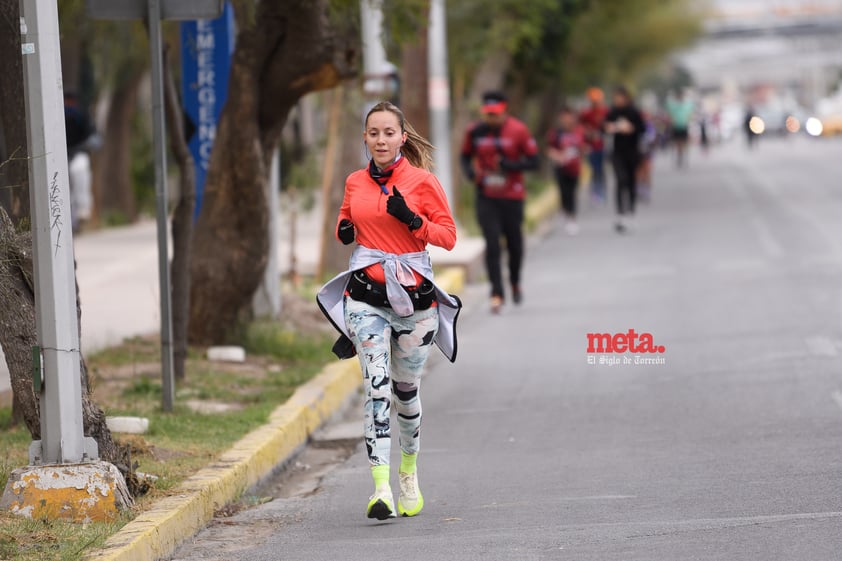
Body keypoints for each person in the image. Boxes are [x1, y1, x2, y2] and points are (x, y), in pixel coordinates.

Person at [316, 101, 461, 521]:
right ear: (365, 137)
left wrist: (412, 219)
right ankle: (380, 488)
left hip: (415, 304)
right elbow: (348, 222)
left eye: (388, 133)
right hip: (365, 297)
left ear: (402, 137)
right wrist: (344, 230)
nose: (380, 140)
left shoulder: (423, 181)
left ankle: (408, 472)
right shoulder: (354, 182)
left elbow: (447, 237)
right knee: (375, 387)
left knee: (405, 394)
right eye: (373, 133)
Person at [460, 91, 539, 313]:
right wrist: (470, 174)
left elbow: (534, 161)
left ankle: (514, 280)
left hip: (512, 196)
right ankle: (496, 292)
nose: (491, 118)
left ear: (505, 111)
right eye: (488, 114)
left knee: (515, 245)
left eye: (496, 114)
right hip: (486, 195)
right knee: (492, 244)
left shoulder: (519, 130)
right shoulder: (474, 131)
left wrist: (509, 166)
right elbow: (464, 156)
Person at [604, 86, 646, 234]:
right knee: (620, 180)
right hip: (617, 152)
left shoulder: (634, 112)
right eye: (615, 98)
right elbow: (605, 126)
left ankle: (631, 209)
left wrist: (631, 128)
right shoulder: (613, 112)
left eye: (619, 97)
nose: (617, 100)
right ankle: (620, 213)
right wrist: (612, 127)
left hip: (633, 151)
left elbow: (642, 129)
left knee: (631, 181)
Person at [64, 91, 100, 233]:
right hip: (62, 156)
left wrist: (91, 144)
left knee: (79, 171)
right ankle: (71, 221)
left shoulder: (82, 116)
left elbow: (93, 137)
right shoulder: (56, 114)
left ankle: (83, 209)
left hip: (79, 153)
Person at [546, 106, 585, 235]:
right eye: (564, 116)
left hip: (575, 168)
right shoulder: (556, 133)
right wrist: (558, 156)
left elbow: (584, 147)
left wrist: (578, 154)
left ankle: (572, 218)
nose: (567, 119)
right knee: (563, 192)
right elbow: (549, 149)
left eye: (569, 116)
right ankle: (565, 211)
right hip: (561, 167)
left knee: (572, 193)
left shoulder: (579, 131)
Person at [579, 87, 609, 203]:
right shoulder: (586, 113)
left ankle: (601, 190)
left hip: (602, 144)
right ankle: (594, 191)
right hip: (590, 145)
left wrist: (601, 132)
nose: (595, 102)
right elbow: (580, 127)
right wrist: (588, 132)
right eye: (593, 100)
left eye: (597, 100)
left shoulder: (605, 112)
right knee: (593, 168)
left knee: (601, 169)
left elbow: (608, 126)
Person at [665, 89, 694, 168]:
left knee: (684, 142)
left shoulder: (686, 105)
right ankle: (679, 155)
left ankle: (683, 154)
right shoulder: (674, 106)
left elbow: (691, 106)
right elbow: (668, 104)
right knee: (677, 143)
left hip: (684, 126)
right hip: (676, 127)